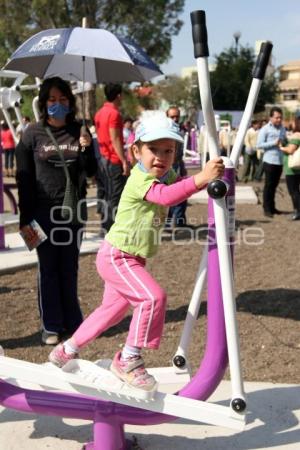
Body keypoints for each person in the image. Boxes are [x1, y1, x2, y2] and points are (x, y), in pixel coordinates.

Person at [49, 114, 225, 391]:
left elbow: (180, 187)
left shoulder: (165, 175)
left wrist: (208, 177)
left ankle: (67, 349)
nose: (161, 157)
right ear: (135, 151)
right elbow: (166, 196)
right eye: (153, 150)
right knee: (152, 298)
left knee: (111, 312)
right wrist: (202, 178)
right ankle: (128, 358)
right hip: (118, 255)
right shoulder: (139, 179)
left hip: (131, 257)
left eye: (168, 150)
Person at [15, 77, 97, 345]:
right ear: (43, 101)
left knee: (69, 267)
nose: (57, 104)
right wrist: (24, 219)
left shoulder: (80, 130)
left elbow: (92, 171)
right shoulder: (31, 134)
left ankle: (73, 322)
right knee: (48, 269)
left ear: (70, 102)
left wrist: (86, 148)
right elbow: (23, 178)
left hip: (72, 211)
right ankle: (51, 325)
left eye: (63, 99)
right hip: (40, 212)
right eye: (52, 99)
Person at [94, 83, 130, 234]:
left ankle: (105, 225)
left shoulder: (99, 113)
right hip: (113, 159)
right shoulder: (114, 114)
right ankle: (110, 228)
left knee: (105, 193)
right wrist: (124, 161)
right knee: (115, 195)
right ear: (119, 96)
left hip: (102, 158)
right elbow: (115, 139)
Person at [257, 107, 287, 217]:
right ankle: (267, 208)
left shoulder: (283, 129)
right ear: (271, 118)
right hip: (269, 161)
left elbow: (284, 140)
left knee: (274, 186)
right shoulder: (265, 129)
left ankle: (273, 207)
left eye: (280, 117)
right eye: (277, 117)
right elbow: (259, 145)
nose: (279, 120)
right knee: (268, 186)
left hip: (279, 161)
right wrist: (273, 143)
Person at [165, 105, 188, 228]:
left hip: (178, 164)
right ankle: (171, 223)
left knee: (182, 194)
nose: (174, 119)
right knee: (174, 194)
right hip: (169, 166)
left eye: (177, 116)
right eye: (172, 116)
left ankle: (180, 221)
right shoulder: (165, 131)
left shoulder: (179, 130)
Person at [280, 116, 300, 220]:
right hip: (298, 168)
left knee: (294, 191)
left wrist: (281, 147)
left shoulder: (297, 135)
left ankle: (297, 212)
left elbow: (291, 150)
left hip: (292, 168)